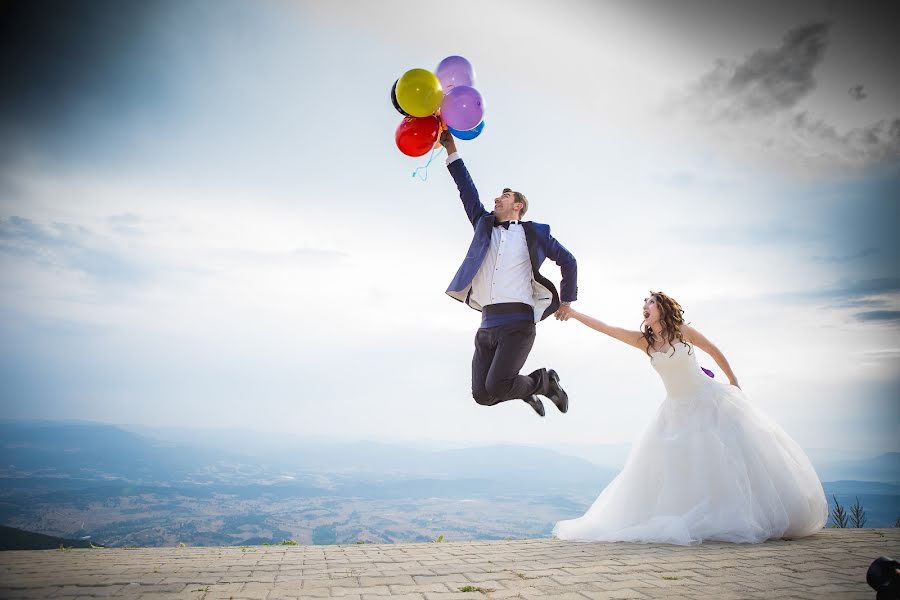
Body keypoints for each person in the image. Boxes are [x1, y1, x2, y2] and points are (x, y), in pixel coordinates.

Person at [553, 291, 828, 544]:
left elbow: (713, 350)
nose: (645, 307)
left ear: (662, 308)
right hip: (674, 412)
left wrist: (733, 382)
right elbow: (607, 329)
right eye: (644, 304)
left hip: (710, 402)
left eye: (650, 302)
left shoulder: (682, 332)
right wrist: (574, 314)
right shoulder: (645, 343)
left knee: (728, 459)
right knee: (682, 469)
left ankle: (748, 513)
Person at [441, 131, 577, 417]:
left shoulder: (536, 234)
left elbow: (568, 260)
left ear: (518, 206)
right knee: (482, 395)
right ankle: (528, 389)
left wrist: (567, 300)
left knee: (499, 385)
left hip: (518, 324)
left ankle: (543, 382)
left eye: (505, 196)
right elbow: (466, 188)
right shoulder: (483, 225)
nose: (496, 199)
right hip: (487, 324)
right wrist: (451, 148)